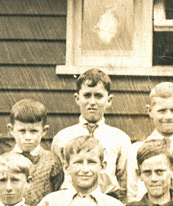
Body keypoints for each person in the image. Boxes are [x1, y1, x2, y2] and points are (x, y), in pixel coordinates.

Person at [50, 68, 130, 198]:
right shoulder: (62, 138)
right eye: (87, 95)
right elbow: (56, 180)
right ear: (77, 98)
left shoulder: (119, 139)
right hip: (71, 202)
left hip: (108, 201)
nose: (92, 102)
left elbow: (125, 181)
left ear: (109, 100)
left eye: (98, 96)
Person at [124, 82, 173, 206]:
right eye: (161, 111)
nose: (168, 116)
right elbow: (131, 195)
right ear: (149, 111)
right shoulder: (136, 150)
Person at [5, 98, 63, 206]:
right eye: (22, 131)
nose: (28, 137)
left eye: (33, 131)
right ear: (11, 130)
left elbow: (56, 194)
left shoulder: (52, 161)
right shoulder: (5, 161)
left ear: (44, 131)